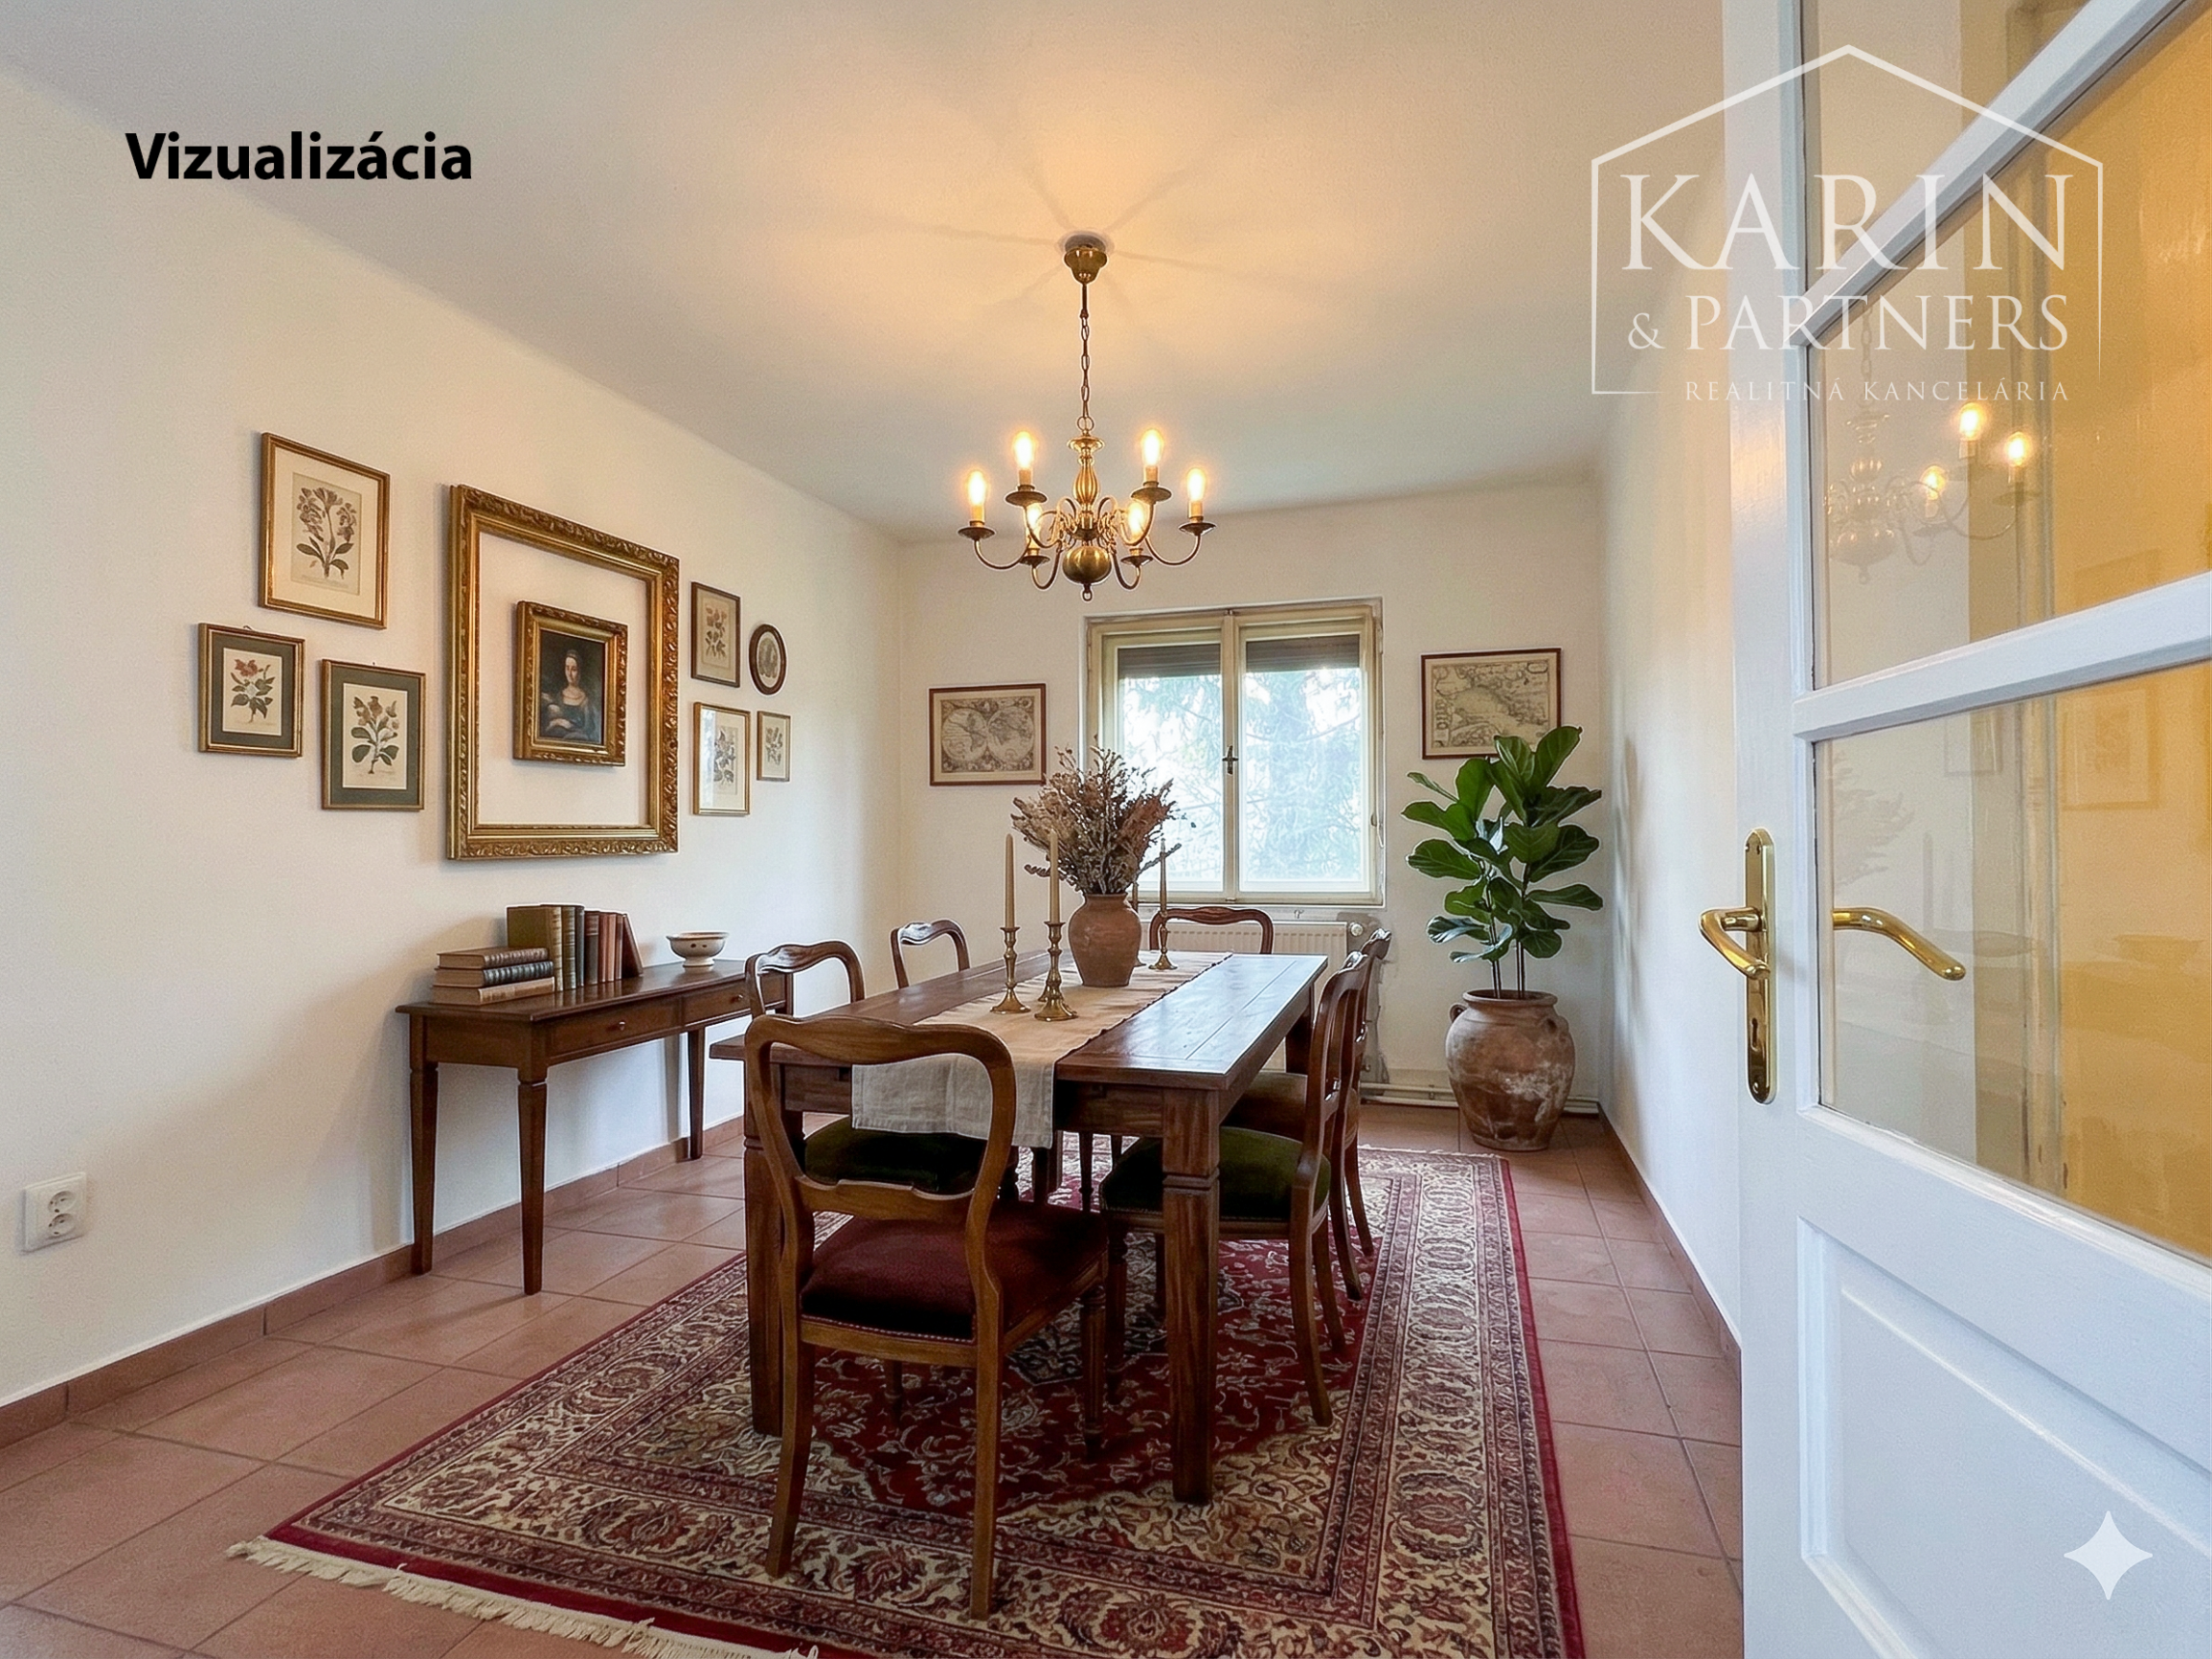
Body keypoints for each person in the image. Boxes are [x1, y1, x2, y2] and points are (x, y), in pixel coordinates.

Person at [540, 648, 601, 745]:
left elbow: (590, 733)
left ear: (580, 671)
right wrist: (555, 722)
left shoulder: (586, 700)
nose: (569, 673)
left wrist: (569, 725)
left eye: (574, 669)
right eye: (567, 668)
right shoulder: (558, 696)